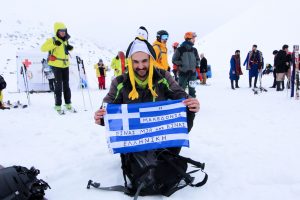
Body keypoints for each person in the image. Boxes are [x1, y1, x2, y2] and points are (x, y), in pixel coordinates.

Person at [94, 36, 200, 154]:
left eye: (144, 61)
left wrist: (191, 102)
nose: (140, 66)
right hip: (134, 138)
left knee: (187, 109)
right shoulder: (119, 82)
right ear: (130, 61)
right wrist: (101, 117)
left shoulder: (162, 76)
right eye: (136, 62)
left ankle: (168, 154)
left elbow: (178, 93)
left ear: (151, 59)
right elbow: (107, 106)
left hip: (158, 134)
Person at [41, 22, 74, 112]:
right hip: (56, 65)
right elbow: (43, 48)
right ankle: (58, 105)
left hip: (65, 65)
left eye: (64, 31)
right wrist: (54, 44)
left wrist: (70, 47)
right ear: (57, 31)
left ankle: (68, 103)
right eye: (61, 31)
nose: (63, 32)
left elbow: (65, 50)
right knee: (58, 85)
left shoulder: (65, 40)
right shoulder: (52, 39)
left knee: (66, 85)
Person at [172, 32, 200, 98]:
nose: (194, 40)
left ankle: (192, 104)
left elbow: (198, 59)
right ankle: (181, 104)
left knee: (192, 91)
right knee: (181, 90)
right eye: (193, 38)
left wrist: (196, 64)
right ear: (188, 39)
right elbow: (174, 60)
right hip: (183, 74)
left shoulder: (194, 50)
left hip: (192, 74)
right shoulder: (180, 49)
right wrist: (182, 64)